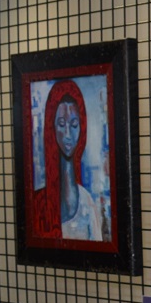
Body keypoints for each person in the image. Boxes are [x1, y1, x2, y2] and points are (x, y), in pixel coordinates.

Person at [33, 80, 101, 241]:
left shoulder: (87, 204)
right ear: (52, 127)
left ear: (82, 128)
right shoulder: (38, 203)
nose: (68, 134)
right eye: (61, 124)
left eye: (74, 124)